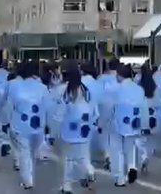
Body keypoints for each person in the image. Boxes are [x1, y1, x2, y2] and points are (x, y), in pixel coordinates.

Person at [57, 65, 98, 193]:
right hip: (85, 128)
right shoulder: (86, 91)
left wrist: (54, 128)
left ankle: (67, 185)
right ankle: (89, 170)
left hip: (70, 130)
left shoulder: (64, 90)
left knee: (69, 159)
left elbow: (60, 112)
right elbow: (95, 111)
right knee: (83, 156)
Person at [8, 62, 49, 190]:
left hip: (20, 124)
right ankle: (28, 175)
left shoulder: (13, 85)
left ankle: (28, 180)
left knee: (24, 152)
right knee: (31, 151)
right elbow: (48, 108)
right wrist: (47, 125)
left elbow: (8, 105)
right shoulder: (42, 87)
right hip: (38, 126)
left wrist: (5, 121)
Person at [109, 62, 145, 187]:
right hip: (134, 122)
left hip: (118, 123)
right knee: (131, 147)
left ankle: (119, 178)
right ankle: (131, 167)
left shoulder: (116, 89)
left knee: (117, 150)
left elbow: (111, 107)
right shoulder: (139, 89)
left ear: (119, 76)